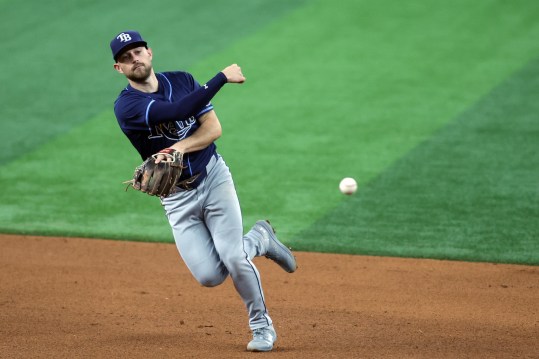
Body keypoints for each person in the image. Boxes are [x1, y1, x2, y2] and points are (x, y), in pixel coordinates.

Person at [110, 30, 297, 352]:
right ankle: (259, 239)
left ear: (150, 53)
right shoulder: (127, 106)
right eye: (125, 57)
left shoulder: (182, 80)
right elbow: (176, 112)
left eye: (138, 51)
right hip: (177, 198)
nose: (134, 59)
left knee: (234, 259)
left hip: (214, 179)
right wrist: (221, 77)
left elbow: (213, 129)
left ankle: (262, 327)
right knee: (209, 276)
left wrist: (180, 147)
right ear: (119, 69)